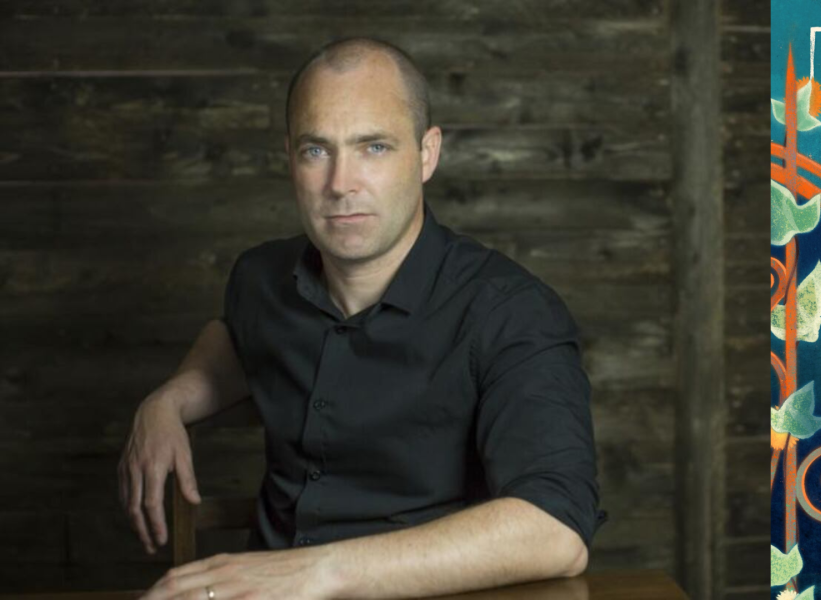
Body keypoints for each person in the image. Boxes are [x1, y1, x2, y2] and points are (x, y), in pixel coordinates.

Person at [118, 37, 603, 600]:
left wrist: (314, 573)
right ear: (289, 158)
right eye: (316, 150)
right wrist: (167, 402)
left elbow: (556, 529)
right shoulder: (260, 278)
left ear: (427, 154)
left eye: (373, 147)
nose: (341, 184)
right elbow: (231, 336)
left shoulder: (511, 312)